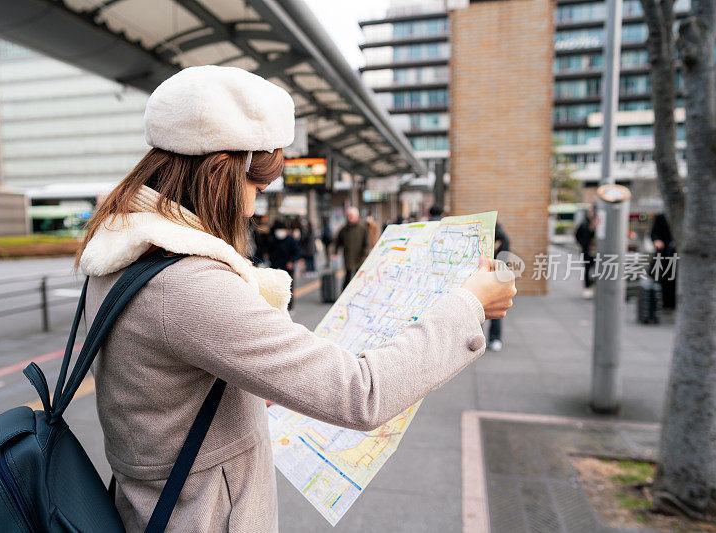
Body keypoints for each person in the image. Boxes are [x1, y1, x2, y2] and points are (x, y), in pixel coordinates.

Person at [75, 65, 516, 532]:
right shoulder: (187, 286)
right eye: (256, 187)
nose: (251, 207)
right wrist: (469, 303)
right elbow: (361, 393)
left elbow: (165, 386)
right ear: (222, 170)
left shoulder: (119, 252)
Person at [488, 223, 511, 352]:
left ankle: (490, 338)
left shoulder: (499, 238)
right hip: (498, 278)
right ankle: (495, 339)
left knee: (481, 310)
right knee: (495, 311)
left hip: (489, 278)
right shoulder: (504, 238)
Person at [334, 206, 369, 288]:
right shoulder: (343, 229)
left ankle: (359, 293)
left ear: (357, 217)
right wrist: (335, 253)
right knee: (347, 277)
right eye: (348, 216)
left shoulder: (362, 228)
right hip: (348, 257)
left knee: (359, 278)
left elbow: (367, 243)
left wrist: (365, 254)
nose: (349, 218)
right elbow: (338, 242)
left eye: (351, 216)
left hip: (360, 258)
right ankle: (344, 295)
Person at [650, 212, 676, 309]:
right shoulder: (661, 217)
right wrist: (657, 241)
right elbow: (654, 233)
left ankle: (673, 303)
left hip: (678, 256)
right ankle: (666, 304)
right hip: (664, 254)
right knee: (664, 278)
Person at [575, 206, 597, 299]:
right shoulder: (584, 223)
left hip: (598, 251)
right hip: (587, 251)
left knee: (598, 270)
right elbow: (577, 234)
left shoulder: (599, 223)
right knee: (587, 269)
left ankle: (595, 287)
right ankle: (588, 288)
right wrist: (583, 244)